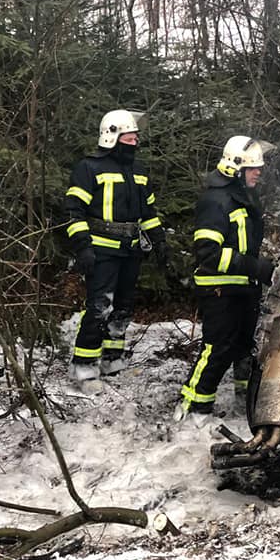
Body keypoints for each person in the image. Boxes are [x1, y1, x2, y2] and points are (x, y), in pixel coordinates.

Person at [174, 136, 275, 425]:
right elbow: (208, 253)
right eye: (253, 168)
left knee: (245, 345)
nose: (259, 172)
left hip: (243, 286)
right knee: (218, 346)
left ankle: (246, 401)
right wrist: (255, 267)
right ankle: (194, 405)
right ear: (235, 168)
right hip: (219, 287)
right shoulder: (215, 200)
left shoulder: (245, 195)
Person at [65, 110, 168, 382]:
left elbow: (148, 212)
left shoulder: (139, 171)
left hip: (131, 249)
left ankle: (112, 358)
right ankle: (84, 365)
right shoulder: (89, 168)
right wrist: (83, 247)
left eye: (135, 139)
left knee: (123, 306)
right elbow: (74, 211)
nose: (135, 144)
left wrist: (159, 240)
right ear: (112, 136)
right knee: (100, 306)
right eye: (130, 139)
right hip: (101, 249)